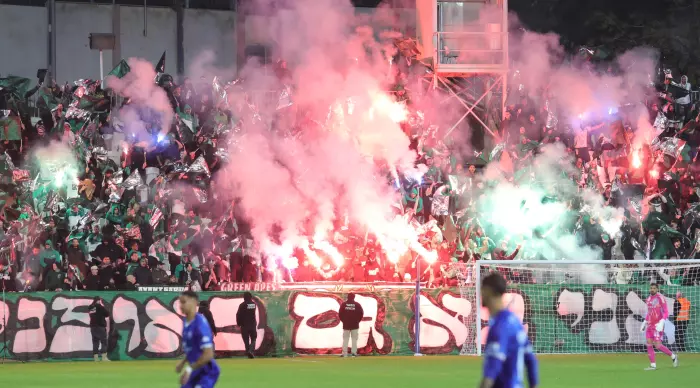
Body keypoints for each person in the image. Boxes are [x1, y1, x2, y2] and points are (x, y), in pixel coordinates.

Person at [479, 272, 538, 388]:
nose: (481, 294)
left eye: (482, 290)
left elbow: (492, 368)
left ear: (488, 291)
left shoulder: (499, 326)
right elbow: (531, 360)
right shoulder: (514, 321)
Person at [176, 291, 220, 388]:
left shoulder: (200, 324)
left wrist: (189, 369)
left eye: (184, 302)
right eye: (180, 303)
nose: (181, 306)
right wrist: (183, 363)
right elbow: (193, 349)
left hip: (207, 372)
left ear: (194, 302)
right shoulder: (185, 322)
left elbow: (208, 354)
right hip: (195, 370)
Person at [641, 283, 678, 370]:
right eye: (651, 288)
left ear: (657, 289)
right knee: (649, 344)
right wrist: (644, 322)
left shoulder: (660, 298)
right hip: (650, 325)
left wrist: (662, 322)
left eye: (654, 288)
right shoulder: (648, 299)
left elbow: (666, 312)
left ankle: (673, 356)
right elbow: (649, 312)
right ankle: (653, 365)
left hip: (658, 325)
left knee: (658, 345)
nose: (652, 289)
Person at [338, 293, 364, 357]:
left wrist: (344, 321)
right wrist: (357, 321)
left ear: (347, 297)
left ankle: (344, 354)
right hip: (355, 325)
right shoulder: (357, 305)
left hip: (346, 325)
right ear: (354, 297)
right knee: (354, 339)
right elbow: (361, 314)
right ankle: (354, 353)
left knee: (345, 339)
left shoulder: (344, 305)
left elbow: (340, 314)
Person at [235, 292, 257, 359]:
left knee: (246, 340)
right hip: (252, 324)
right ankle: (251, 351)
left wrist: (239, 323)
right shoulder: (253, 304)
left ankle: (248, 352)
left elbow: (238, 315)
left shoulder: (242, 305)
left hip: (244, 325)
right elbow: (252, 313)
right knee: (253, 338)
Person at [88, 296, 110, 362]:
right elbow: (107, 314)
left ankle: (96, 358)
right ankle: (104, 357)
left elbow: (93, 315)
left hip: (93, 327)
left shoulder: (91, 307)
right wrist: (101, 306)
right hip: (100, 326)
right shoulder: (100, 307)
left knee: (95, 342)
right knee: (104, 342)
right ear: (98, 300)